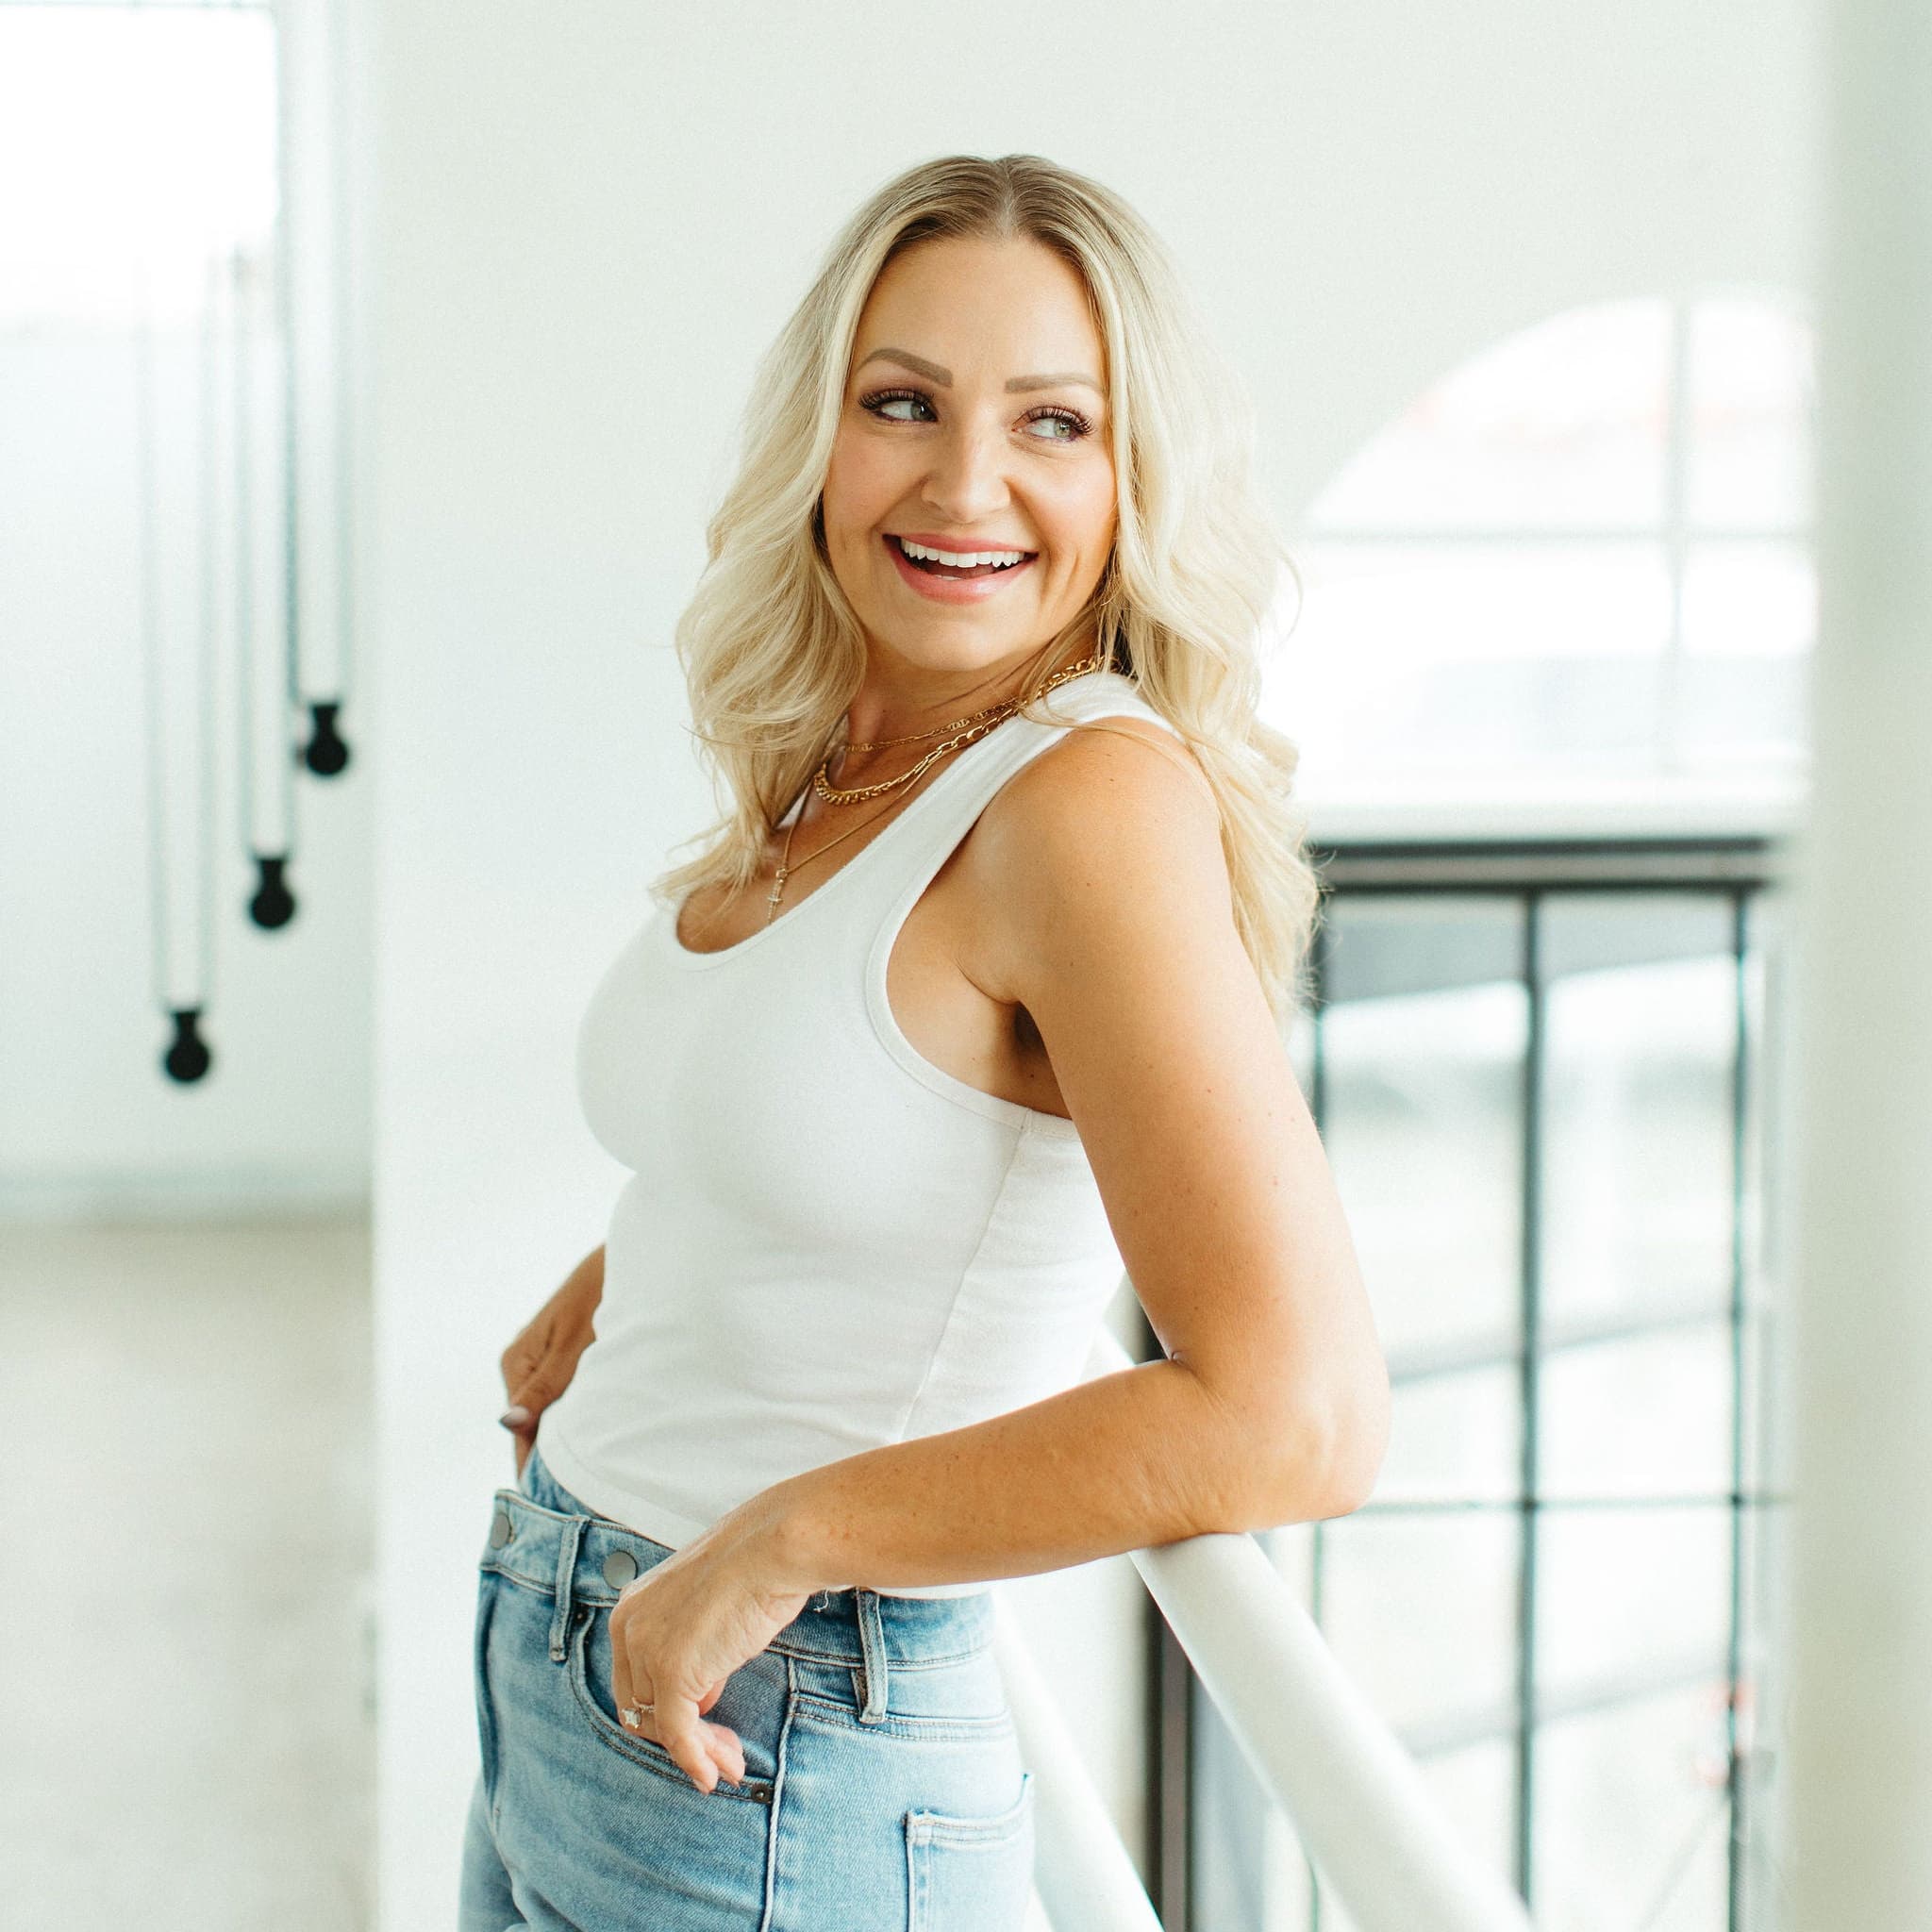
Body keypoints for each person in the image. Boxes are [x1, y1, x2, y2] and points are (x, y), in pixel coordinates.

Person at [459, 151, 1390, 1932]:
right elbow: (864, 1119)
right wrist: (650, 1260)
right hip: (568, 1644)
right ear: (822, 432)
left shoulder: (1087, 801)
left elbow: (1300, 1414)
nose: (969, 484)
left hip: (772, 1742)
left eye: (1056, 422)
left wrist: (782, 1542)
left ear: (1137, 478)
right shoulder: (852, 752)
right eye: (905, 404)